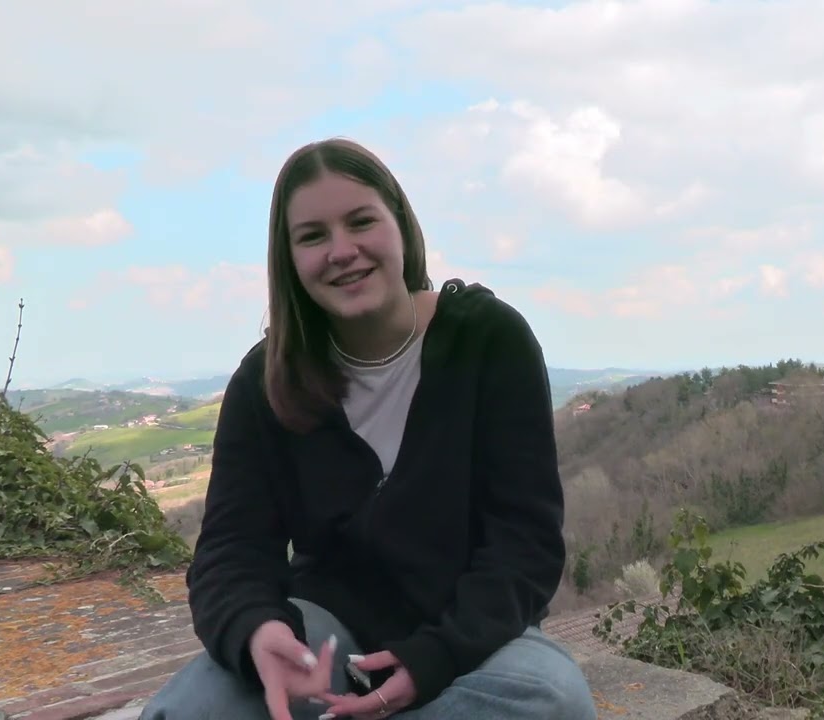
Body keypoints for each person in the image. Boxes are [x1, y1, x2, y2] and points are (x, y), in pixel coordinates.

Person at [140, 138, 597, 720]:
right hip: (327, 642)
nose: (342, 251)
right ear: (290, 259)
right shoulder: (265, 380)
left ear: (400, 225)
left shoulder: (489, 341)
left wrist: (433, 658)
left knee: (552, 698)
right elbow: (232, 550)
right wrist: (258, 632)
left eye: (361, 222)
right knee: (190, 710)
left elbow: (524, 544)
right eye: (312, 236)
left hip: (469, 643)